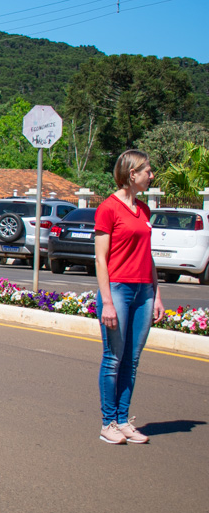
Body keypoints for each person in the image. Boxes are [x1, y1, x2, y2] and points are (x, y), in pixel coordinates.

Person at [93, 149, 164, 445]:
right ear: (131, 174)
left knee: (131, 361)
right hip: (118, 290)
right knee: (113, 359)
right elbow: (100, 258)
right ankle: (108, 423)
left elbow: (148, 256)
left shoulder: (144, 210)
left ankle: (123, 421)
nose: (151, 175)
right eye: (147, 170)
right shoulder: (108, 208)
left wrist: (157, 293)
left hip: (144, 290)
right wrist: (107, 301)